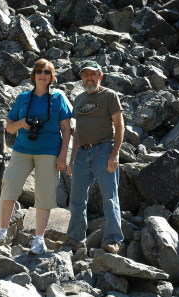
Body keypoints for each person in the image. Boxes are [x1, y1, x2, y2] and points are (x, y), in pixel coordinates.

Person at [0, 58, 72, 254]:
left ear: (52, 76)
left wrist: (63, 156)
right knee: (9, 185)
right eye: (39, 71)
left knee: (44, 195)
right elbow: (9, 127)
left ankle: (39, 238)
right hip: (22, 149)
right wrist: (22, 123)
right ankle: (2, 231)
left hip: (49, 151)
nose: (43, 75)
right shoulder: (23, 98)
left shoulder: (59, 98)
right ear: (33, 75)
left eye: (47, 72)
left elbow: (67, 129)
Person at [64, 60, 124, 254]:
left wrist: (114, 154)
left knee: (110, 197)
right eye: (85, 75)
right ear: (81, 78)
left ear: (100, 76)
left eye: (93, 74)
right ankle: (75, 240)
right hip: (82, 153)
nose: (89, 78)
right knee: (77, 199)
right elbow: (78, 132)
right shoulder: (79, 99)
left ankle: (113, 240)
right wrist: (72, 160)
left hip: (103, 150)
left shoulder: (109, 95)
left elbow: (119, 125)